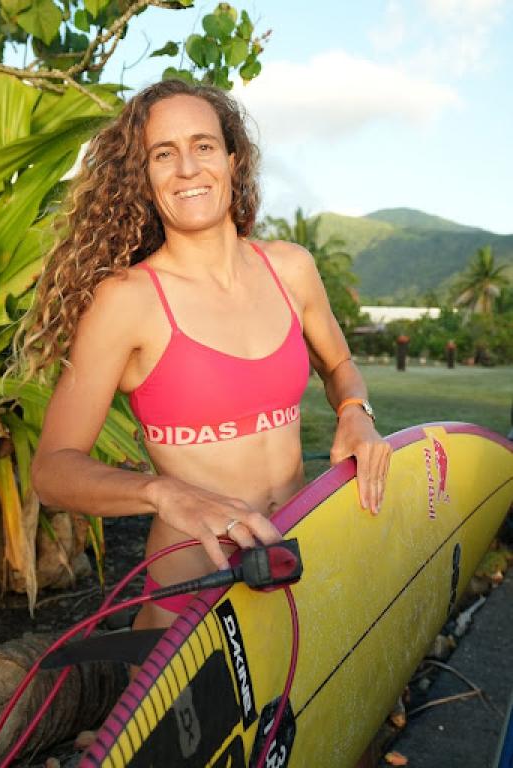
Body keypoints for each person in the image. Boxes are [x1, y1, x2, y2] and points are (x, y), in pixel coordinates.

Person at [24, 79, 392, 635]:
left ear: (232, 158)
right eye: (162, 154)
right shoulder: (127, 301)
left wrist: (355, 413)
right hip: (188, 605)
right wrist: (162, 492)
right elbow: (52, 469)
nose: (188, 169)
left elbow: (339, 367)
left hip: (291, 570)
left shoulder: (290, 268)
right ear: (142, 179)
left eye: (203, 145)